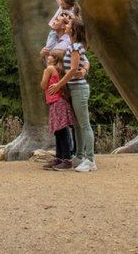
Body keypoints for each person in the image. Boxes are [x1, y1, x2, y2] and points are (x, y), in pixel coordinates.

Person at [49, 13, 96, 172]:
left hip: (78, 88)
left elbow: (74, 68)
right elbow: (82, 63)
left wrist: (59, 84)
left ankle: (90, 159)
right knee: (77, 125)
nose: (67, 25)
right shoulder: (73, 45)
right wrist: (84, 68)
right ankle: (80, 155)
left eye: (69, 24)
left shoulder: (75, 46)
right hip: (73, 89)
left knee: (84, 124)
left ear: (73, 29)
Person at [41, 49, 74, 171]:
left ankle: (66, 159)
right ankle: (60, 157)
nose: (48, 57)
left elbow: (43, 85)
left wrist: (45, 72)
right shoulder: (60, 70)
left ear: (55, 59)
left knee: (61, 131)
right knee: (59, 131)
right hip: (61, 101)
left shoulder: (49, 69)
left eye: (50, 56)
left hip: (56, 102)